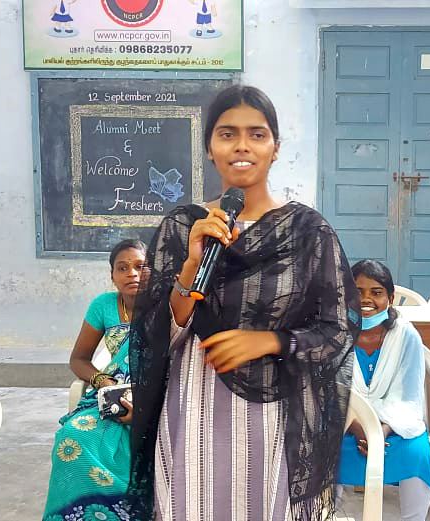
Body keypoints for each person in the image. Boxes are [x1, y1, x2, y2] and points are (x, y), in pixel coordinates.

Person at [129, 85, 359, 520]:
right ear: (210, 149)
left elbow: (339, 328)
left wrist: (271, 341)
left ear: (275, 149)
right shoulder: (183, 226)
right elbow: (158, 331)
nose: (242, 146)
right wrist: (192, 266)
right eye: (227, 133)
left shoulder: (308, 232)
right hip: (193, 405)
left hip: (274, 414)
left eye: (257, 134)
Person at [42, 239, 149, 520]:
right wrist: (102, 381)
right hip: (114, 393)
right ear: (112, 276)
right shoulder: (104, 306)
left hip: (155, 395)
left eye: (140, 266)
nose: (132, 274)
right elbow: (78, 359)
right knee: (72, 436)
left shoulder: (167, 306)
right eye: (122, 268)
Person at [337, 260, 430, 521]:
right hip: (346, 426)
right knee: (320, 454)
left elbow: (409, 398)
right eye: (358, 291)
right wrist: (360, 428)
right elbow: (331, 391)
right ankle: (328, 514)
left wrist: (378, 430)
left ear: (390, 298)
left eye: (376, 292)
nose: (366, 299)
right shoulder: (335, 334)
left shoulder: (406, 336)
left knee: (417, 455)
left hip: (393, 428)